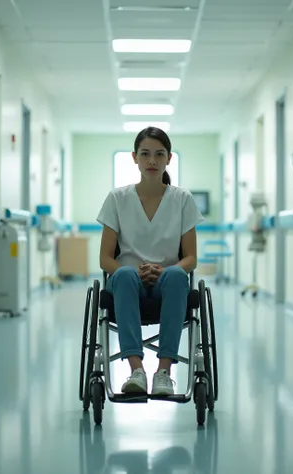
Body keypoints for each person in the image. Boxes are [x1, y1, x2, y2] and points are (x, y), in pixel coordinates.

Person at [96, 126, 204, 395]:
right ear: (134, 157)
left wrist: (164, 271)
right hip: (125, 284)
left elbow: (190, 258)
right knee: (123, 274)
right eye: (145, 154)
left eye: (159, 154)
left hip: (167, 284)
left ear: (169, 158)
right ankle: (136, 371)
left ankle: (164, 372)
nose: (152, 161)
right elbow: (104, 258)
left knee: (178, 275)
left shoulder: (182, 199)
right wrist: (131, 271)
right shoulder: (117, 199)